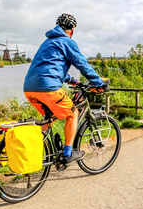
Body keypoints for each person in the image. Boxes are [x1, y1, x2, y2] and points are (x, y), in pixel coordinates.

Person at [24, 13, 106, 163]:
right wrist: (98, 82)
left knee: (48, 120)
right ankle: (68, 154)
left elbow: (50, 67)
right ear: (72, 30)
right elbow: (82, 64)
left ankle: (28, 151)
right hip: (48, 89)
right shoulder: (67, 41)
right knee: (72, 114)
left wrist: (71, 80)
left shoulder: (47, 43)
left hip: (30, 89)